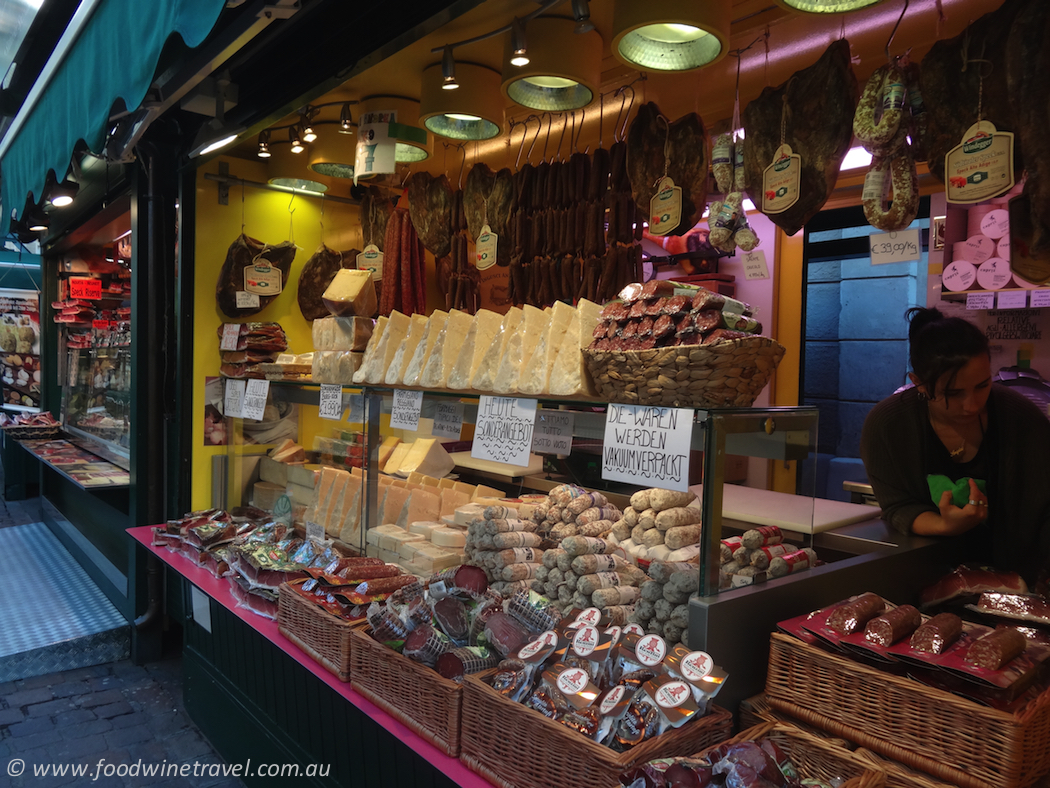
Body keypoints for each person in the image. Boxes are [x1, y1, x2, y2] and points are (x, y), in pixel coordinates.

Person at [860, 306, 1050, 586]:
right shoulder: (888, 425)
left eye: (982, 386)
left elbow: (1045, 509)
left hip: (1020, 580)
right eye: (953, 393)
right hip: (925, 577)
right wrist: (945, 525)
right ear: (919, 384)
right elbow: (897, 506)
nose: (972, 405)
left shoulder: (1020, 417)